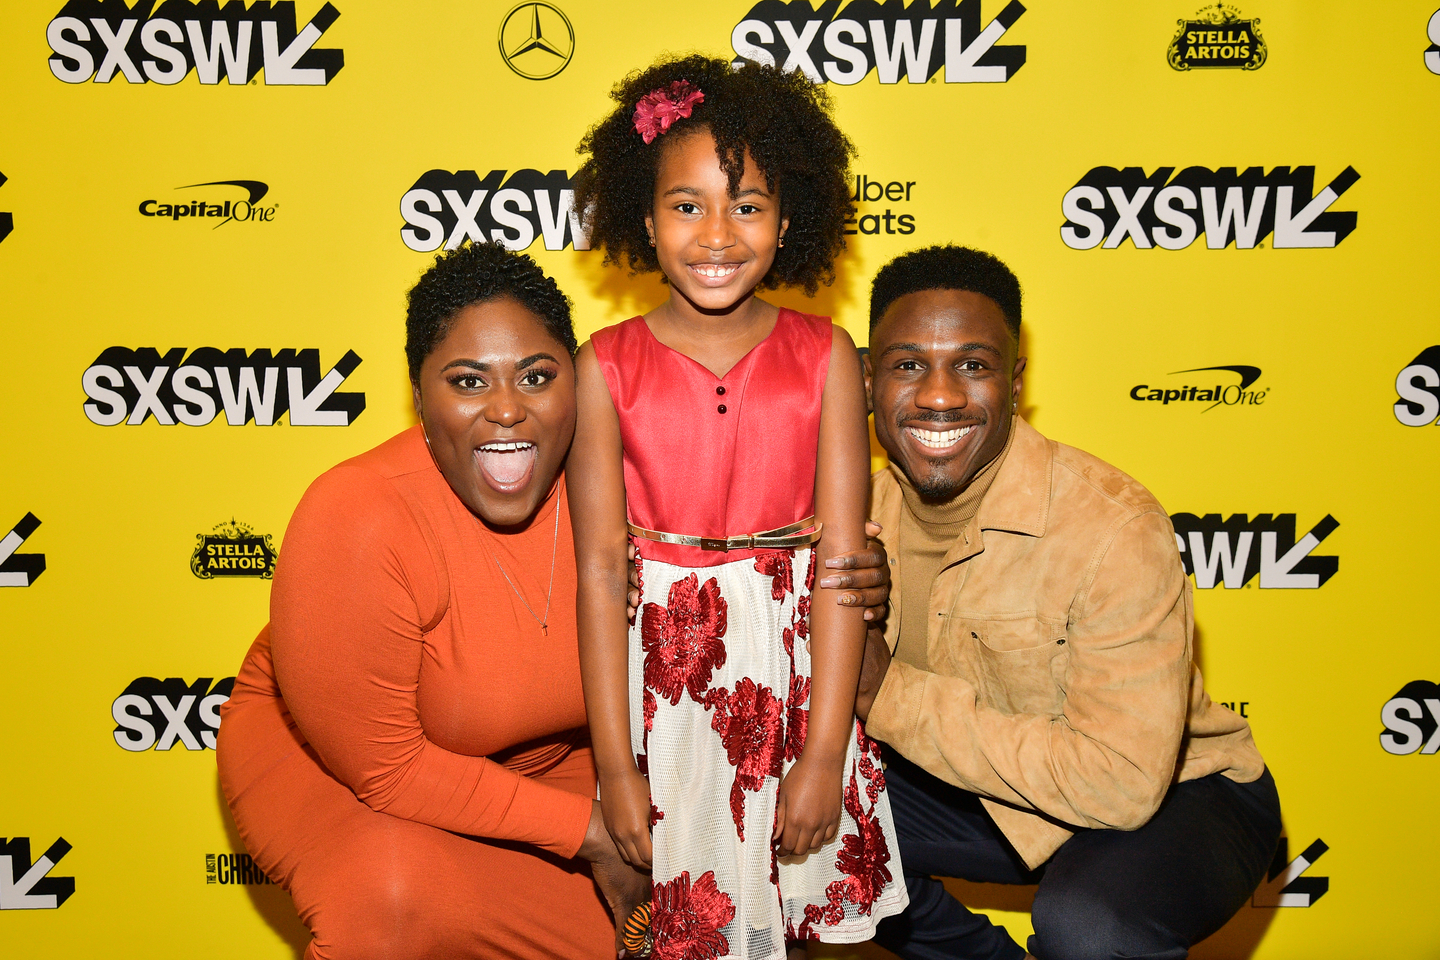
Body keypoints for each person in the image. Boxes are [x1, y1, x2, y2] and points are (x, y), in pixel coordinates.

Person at [215, 241, 892, 960]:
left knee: (682, 926)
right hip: (349, 772)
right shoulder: (356, 515)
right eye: (468, 382)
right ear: (419, 395)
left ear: (579, 384)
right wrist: (589, 832)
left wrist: (857, 572)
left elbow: (763, 545)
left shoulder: (620, 477)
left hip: (557, 761)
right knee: (392, 901)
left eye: (537, 377)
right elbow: (387, 768)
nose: (507, 410)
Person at [568, 55, 908, 960]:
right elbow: (601, 575)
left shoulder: (830, 355)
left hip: (795, 680)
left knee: (793, 929)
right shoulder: (602, 366)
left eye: (747, 205)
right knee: (676, 932)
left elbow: (841, 564)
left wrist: (826, 752)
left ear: (788, 220)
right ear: (645, 217)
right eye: (687, 206)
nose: (717, 233)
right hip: (662, 695)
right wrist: (614, 767)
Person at [853, 245, 1282, 960]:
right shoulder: (846, 516)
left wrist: (884, 693)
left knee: (1089, 928)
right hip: (987, 793)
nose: (938, 395)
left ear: (1015, 382)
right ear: (868, 381)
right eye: (906, 365)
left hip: (1178, 798)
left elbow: (1120, 784)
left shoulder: (1114, 527)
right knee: (774, 824)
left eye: (973, 365)